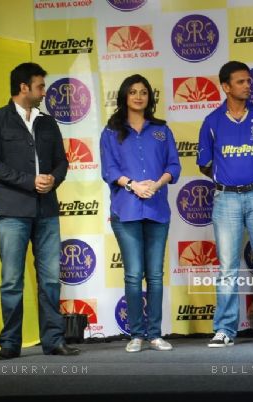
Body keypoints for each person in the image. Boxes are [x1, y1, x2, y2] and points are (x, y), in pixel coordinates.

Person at [0, 62, 79, 359]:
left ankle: (54, 340)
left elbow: (61, 161)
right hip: (12, 210)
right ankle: (10, 343)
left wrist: (53, 179)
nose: (43, 91)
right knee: (11, 280)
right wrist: (30, 181)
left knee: (50, 278)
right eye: (39, 86)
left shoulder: (48, 122)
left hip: (46, 209)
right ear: (24, 87)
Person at [197, 61, 253, 347]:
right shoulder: (212, 121)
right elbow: (204, 164)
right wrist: (227, 179)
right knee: (227, 268)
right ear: (225, 86)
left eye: (249, 81)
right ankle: (225, 329)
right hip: (225, 199)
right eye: (240, 82)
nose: (248, 85)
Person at [100, 74, 180, 352]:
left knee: (155, 275)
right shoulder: (111, 132)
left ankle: (155, 334)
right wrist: (133, 185)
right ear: (124, 96)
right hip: (126, 210)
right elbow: (108, 170)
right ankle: (136, 334)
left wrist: (156, 185)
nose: (138, 96)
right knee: (134, 274)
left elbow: (174, 165)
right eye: (133, 92)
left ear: (149, 97)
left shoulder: (161, 130)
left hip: (157, 208)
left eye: (143, 92)